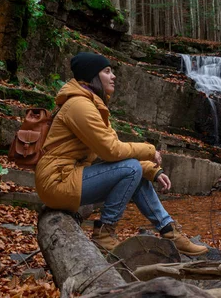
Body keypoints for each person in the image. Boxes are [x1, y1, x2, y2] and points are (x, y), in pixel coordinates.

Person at [35, 52, 209, 256]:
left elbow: (115, 152)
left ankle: (169, 231)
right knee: (131, 170)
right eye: (107, 71)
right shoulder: (79, 106)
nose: (113, 76)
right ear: (92, 76)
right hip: (57, 181)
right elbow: (111, 151)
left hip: (69, 176)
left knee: (136, 172)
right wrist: (149, 150)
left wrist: (152, 171)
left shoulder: (91, 104)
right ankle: (104, 233)